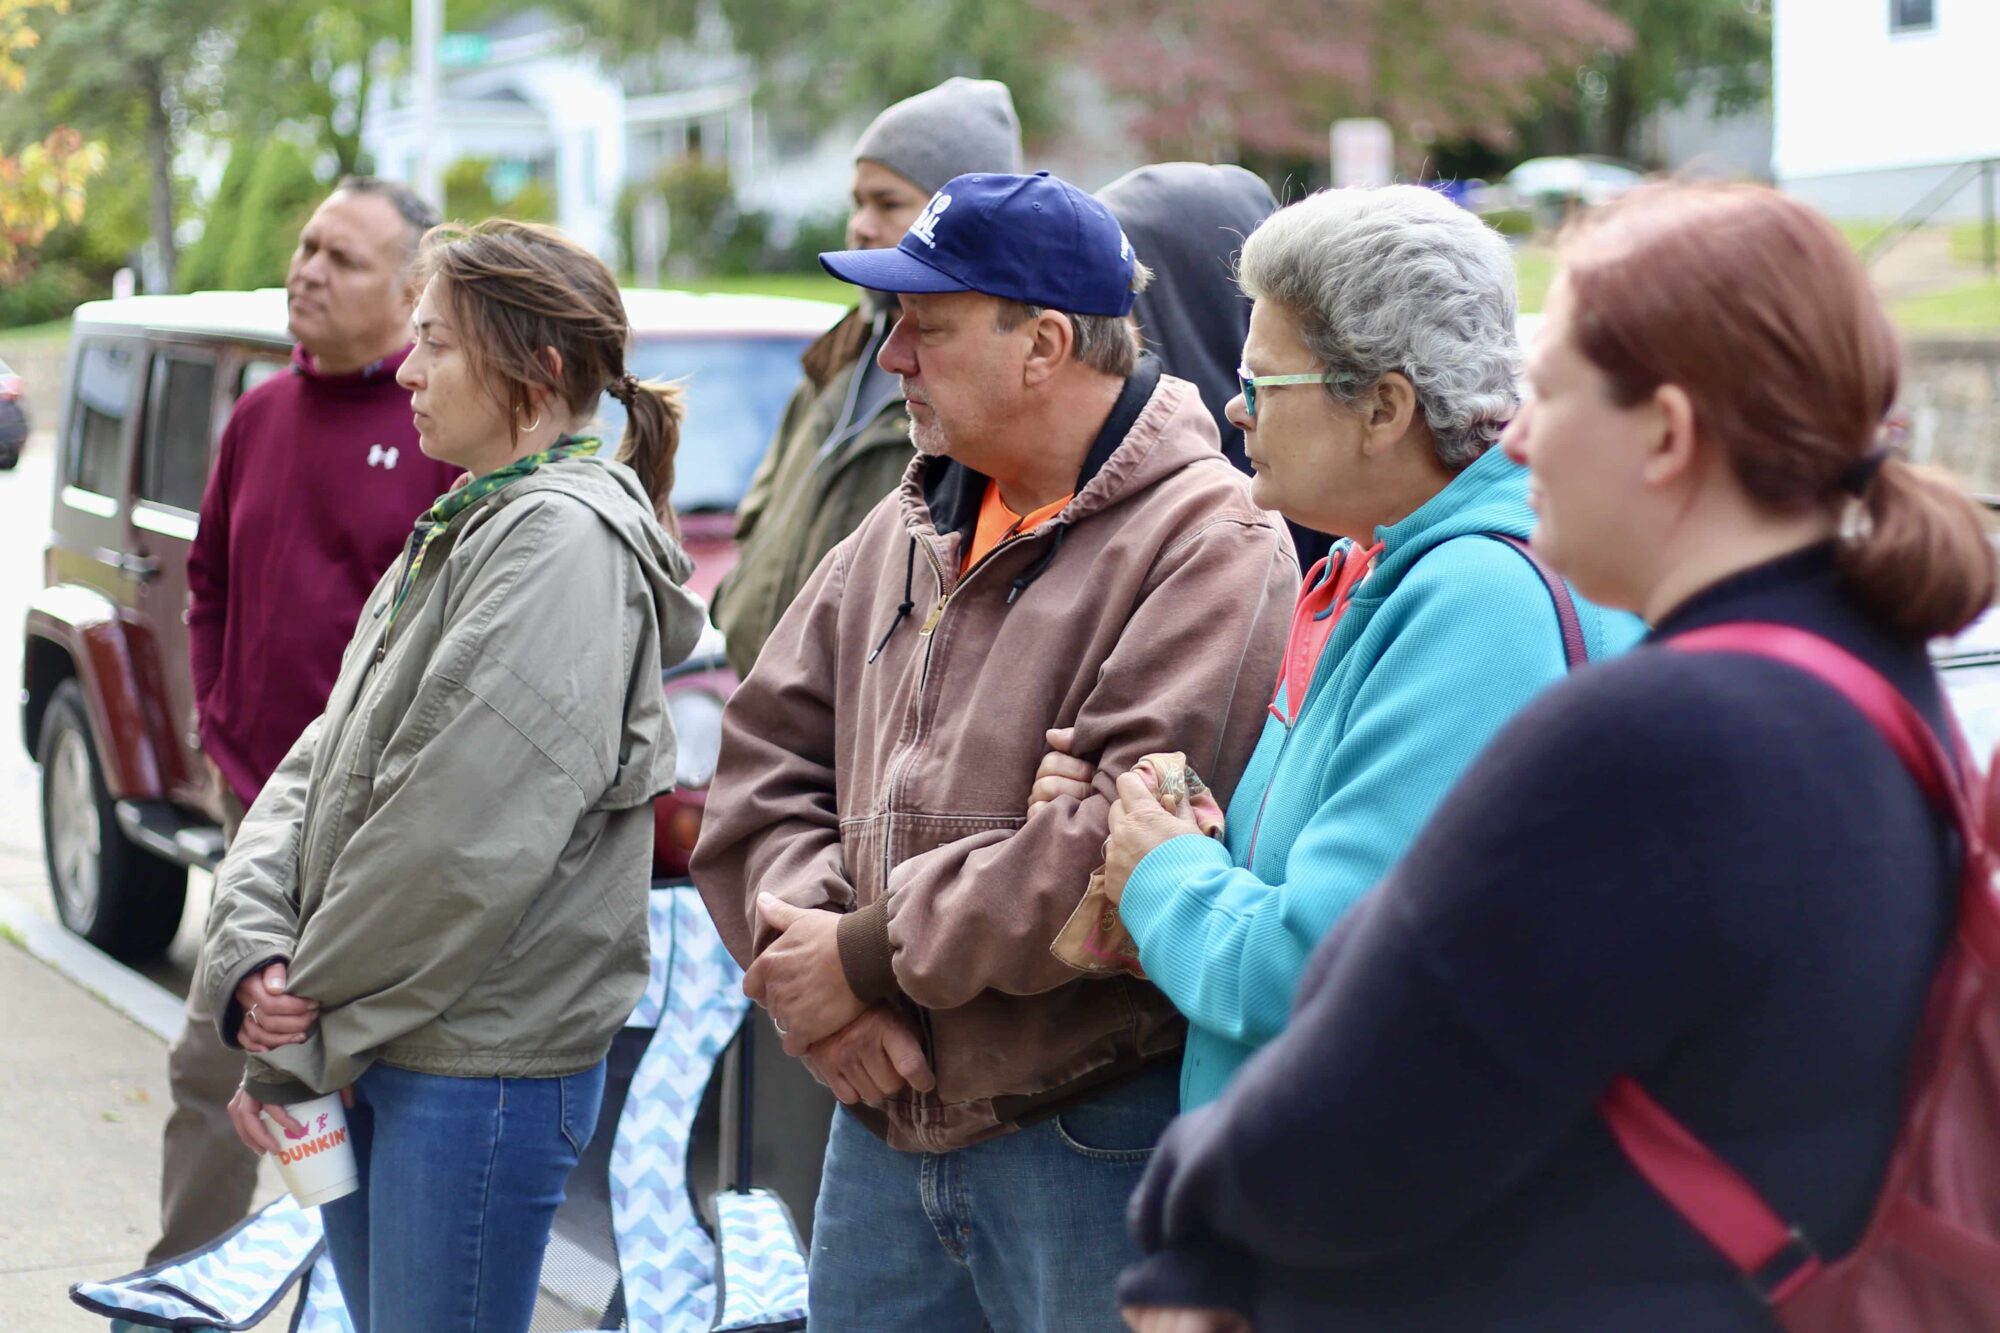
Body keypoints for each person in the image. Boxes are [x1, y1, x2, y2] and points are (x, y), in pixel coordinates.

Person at [1118, 183, 1996, 1331]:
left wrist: (1190, 1237)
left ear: (1665, 435)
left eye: (1548, 391)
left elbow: (1358, 1095)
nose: (1512, 434)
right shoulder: (1879, 682)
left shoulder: (1657, 732)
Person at [691, 171, 1296, 1331]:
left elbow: (1111, 856)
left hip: (1082, 1134)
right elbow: (762, 761)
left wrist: (865, 954)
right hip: (877, 1125)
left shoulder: (1211, 541)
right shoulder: (905, 521)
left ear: (1045, 344)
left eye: (926, 324)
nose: (892, 360)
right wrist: (825, 987)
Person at [1031, 185, 1642, 1115]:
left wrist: (1158, 873)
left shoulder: (1478, 602)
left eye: (1261, 385)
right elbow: (1331, 879)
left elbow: (1310, 970)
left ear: (1384, 408)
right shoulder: (1384, 563)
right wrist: (1153, 822)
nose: (1236, 411)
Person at [201, 219, 706, 1333]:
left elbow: (452, 840)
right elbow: (319, 763)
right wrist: (252, 945)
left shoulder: (562, 548)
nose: (408, 370)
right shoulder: (469, 518)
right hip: (382, 1031)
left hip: (474, 1063)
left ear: (540, 370)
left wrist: (294, 1029)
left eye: (436, 344)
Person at [152, 175, 456, 1265]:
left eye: (343, 258)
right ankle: (183, 1278)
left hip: (377, 835)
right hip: (255, 816)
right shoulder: (260, 413)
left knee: (343, 1084)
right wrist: (218, 719)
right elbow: (209, 580)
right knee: (210, 1065)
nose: (308, 271)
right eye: (306, 244)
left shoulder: (437, 427)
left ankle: (343, 1282)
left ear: (411, 288)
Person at [712, 76, 1023, 679]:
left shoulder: (977, 393)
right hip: (774, 705)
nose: (858, 225)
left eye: (886, 203)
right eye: (857, 202)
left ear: (951, 216)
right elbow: (762, 515)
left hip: (860, 722)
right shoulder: (843, 352)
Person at [1098, 161, 1331, 569]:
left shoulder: (1321, 482)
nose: (1098, 330)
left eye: (1121, 299)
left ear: (1187, 295)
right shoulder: (1118, 456)